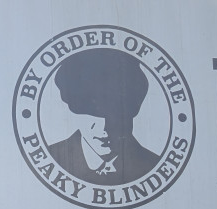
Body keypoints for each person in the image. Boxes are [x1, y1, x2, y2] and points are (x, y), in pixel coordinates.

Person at [48, 47, 162, 185]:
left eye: (115, 116)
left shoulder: (154, 167)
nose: (104, 128)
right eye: (92, 115)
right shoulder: (51, 160)